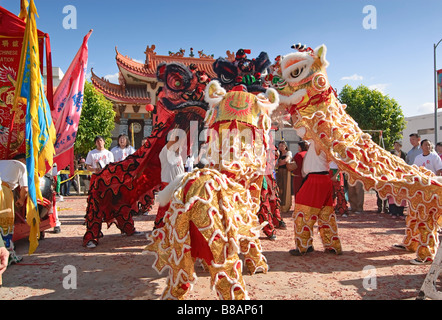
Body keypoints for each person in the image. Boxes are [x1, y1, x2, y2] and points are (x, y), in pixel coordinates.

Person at [290, 138, 342, 256]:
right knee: (326, 214)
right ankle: (332, 245)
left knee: (303, 213)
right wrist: (336, 174)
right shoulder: (329, 141)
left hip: (314, 180)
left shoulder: (318, 139)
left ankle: (304, 246)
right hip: (324, 179)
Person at [0, 156, 28, 264]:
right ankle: (8, 255)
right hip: (3, 191)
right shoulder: (22, 166)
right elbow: (25, 188)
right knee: (5, 224)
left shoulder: (3, 162)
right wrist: (21, 200)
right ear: (22, 159)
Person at [154, 135, 185, 229]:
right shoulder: (165, 153)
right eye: (178, 143)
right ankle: (160, 228)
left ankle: (173, 228)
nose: (181, 145)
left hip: (178, 186)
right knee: (166, 208)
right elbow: (173, 138)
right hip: (168, 185)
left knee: (176, 208)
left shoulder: (178, 155)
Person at [388, 141, 407, 219]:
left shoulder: (404, 157)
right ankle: (393, 212)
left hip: (401, 180)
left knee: (401, 197)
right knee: (392, 197)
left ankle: (400, 213)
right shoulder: (390, 166)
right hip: (393, 180)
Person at [276, 141, 292, 212]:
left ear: (285, 146)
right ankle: (279, 205)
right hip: (279, 172)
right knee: (279, 187)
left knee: (285, 188)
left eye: (282, 145)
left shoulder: (288, 153)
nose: (281, 147)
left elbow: (286, 160)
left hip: (286, 172)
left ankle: (285, 206)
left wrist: (280, 162)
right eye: (280, 146)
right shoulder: (278, 154)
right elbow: (276, 164)